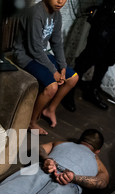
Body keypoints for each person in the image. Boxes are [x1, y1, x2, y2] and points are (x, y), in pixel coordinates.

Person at [12, 0, 79, 135]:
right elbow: (34, 49)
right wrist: (54, 71)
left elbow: (57, 42)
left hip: (41, 54)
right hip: (25, 56)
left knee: (73, 78)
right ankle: (31, 123)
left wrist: (63, 66)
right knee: (52, 87)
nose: (60, 1)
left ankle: (50, 109)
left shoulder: (56, 14)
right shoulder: (36, 13)